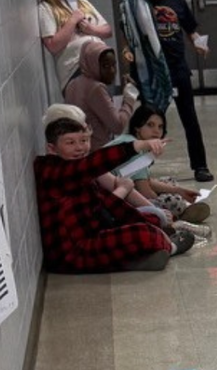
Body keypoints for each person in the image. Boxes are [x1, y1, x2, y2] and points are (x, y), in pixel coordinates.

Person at [35, 112, 194, 273]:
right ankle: (171, 248)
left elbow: (109, 205)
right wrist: (138, 146)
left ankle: (150, 249)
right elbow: (96, 162)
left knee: (148, 220)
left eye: (83, 141)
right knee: (143, 234)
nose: (79, 148)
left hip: (94, 231)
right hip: (73, 254)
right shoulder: (52, 171)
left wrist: (148, 222)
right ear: (52, 149)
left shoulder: (80, 169)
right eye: (70, 143)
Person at [120, 0, 214, 183]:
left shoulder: (177, 3)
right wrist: (126, 52)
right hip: (147, 73)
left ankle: (200, 166)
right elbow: (128, 36)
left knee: (189, 118)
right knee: (146, 122)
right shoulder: (135, 4)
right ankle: (137, 165)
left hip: (177, 70)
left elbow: (191, 31)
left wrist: (199, 44)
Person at [108, 105, 212, 225]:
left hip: (124, 188)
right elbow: (145, 192)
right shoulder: (134, 147)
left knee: (169, 182)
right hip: (114, 198)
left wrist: (178, 190)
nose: (156, 131)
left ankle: (180, 210)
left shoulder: (132, 141)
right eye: (150, 125)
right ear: (137, 127)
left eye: (160, 127)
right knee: (173, 202)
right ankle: (178, 217)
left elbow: (145, 180)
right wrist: (171, 197)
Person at [37, 0, 113, 90]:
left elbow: (107, 30)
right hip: (75, 69)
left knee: (105, 105)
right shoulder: (46, 8)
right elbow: (53, 45)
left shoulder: (82, 2)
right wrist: (72, 21)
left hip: (99, 63)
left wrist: (91, 29)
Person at [64, 39, 139, 150]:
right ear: (92, 64)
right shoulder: (95, 88)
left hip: (80, 150)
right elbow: (117, 126)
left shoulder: (72, 83)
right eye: (105, 66)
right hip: (98, 151)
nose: (112, 71)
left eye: (114, 65)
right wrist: (129, 97)